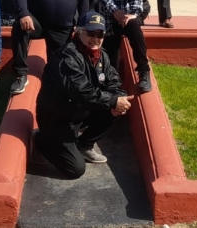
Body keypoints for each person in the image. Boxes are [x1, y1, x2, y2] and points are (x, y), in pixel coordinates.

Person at [33, 11, 134, 179]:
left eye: (100, 33)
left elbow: (114, 83)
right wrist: (113, 100)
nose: (96, 38)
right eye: (91, 33)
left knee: (117, 107)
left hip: (80, 111)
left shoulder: (102, 55)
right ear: (78, 31)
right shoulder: (67, 57)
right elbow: (82, 91)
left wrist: (118, 99)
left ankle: (84, 146)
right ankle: (40, 141)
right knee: (75, 171)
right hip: (57, 118)